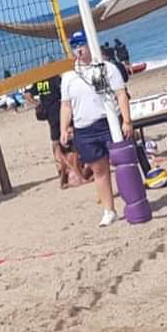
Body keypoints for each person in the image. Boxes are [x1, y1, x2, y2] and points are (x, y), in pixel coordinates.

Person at [59, 31, 133, 227]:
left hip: (108, 122)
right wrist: (64, 128)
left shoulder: (107, 68)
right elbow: (66, 106)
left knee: (122, 163)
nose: (79, 49)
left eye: (82, 44)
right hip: (84, 128)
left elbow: (121, 94)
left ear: (91, 44)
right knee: (99, 170)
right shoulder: (69, 77)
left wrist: (126, 121)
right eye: (75, 45)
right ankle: (109, 210)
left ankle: (133, 201)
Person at [24, 73, 64, 177]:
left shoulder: (40, 80)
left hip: (50, 114)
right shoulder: (55, 78)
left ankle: (60, 166)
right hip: (60, 111)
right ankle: (72, 165)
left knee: (55, 140)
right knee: (67, 137)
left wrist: (36, 103)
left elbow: (27, 94)